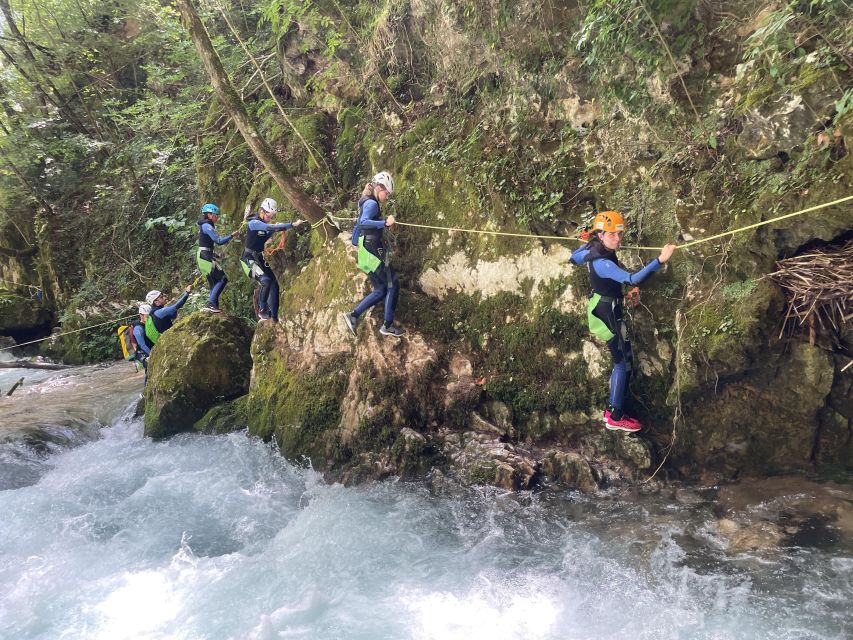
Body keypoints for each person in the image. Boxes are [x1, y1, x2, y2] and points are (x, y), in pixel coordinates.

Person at [570, 210, 676, 432]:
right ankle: (615, 416)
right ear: (600, 234)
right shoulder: (603, 263)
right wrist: (660, 260)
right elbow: (632, 278)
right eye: (612, 234)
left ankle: (613, 411)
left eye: (619, 234)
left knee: (623, 360)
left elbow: (574, 258)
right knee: (623, 362)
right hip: (608, 311)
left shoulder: (592, 249)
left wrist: (587, 242)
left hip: (603, 304)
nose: (618, 239)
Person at [341, 171, 404, 338]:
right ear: (378, 188)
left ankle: (353, 316)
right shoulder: (372, 204)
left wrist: (355, 242)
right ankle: (387, 325)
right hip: (372, 250)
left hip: (365, 250)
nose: (387, 197)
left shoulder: (366, 201)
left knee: (381, 289)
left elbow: (358, 222)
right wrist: (385, 222)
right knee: (394, 284)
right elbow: (363, 222)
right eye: (386, 193)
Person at [240, 197, 305, 321]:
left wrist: (281, 227)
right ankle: (262, 309)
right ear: (262, 212)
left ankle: (274, 316)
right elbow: (270, 228)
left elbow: (272, 229)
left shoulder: (264, 224)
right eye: (269, 216)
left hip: (258, 258)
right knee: (265, 281)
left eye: (272, 217)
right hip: (248, 260)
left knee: (274, 284)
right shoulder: (253, 223)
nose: (270, 219)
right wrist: (292, 225)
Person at [197, 203, 240, 313]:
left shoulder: (205, 225)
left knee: (214, 282)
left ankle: (213, 307)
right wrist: (232, 235)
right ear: (209, 215)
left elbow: (205, 244)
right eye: (216, 215)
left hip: (204, 255)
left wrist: (216, 255)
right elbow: (218, 241)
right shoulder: (207, 225)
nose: (217, 218)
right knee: (222, 279)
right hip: (205, 256)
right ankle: (211, 304)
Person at [132, 304, 154, 384]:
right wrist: (153, 354)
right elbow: (142, 345)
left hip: (151, 349)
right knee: (149, 369)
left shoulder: (149, 324)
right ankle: (146, 390)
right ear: (141, 315)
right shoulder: (138, 329)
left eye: (149, 315)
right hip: (143, 352)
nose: (148, 317)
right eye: (146, 315)